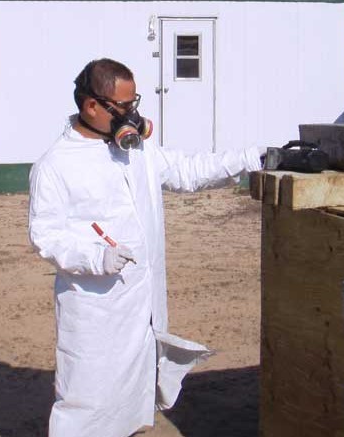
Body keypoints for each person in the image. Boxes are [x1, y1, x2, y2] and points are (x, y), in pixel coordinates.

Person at [28, 58, 262, 437]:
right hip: (96, 313)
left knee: (132, 401)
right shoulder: (55, 166)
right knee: (87, 403)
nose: (132, 115)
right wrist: (96, 256)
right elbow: (46, 235)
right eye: (122, 107)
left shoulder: (136, 151)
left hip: (144, 306)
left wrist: (252, 158)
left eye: (133, 103)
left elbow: (188, 170)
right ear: (91, 106)